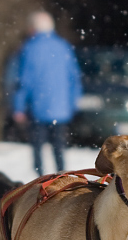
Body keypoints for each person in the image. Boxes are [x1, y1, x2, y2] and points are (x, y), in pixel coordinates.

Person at [11, 11, 82, 176]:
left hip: (38, 107)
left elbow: (23, 81)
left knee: (38, 147)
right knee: (59, 147)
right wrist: (72, 103)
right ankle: (63, 178)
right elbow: (74, 78)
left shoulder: (29, 48)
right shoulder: (64, 46)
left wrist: (18, 107)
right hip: (61, 109)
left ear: (33, 29)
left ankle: (40, 179)